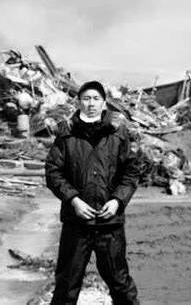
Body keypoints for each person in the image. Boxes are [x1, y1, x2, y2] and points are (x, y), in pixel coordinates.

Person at [45, 80, 140, 305]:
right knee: (66, 283)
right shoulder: (67, 134)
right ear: (79, 102)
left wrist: (117, 201)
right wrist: (74, 200)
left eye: (96, 99)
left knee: (120, 281)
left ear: (104, 103)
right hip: (77, 222)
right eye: (86, 98)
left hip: (109, 223)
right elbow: (53, 171)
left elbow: (131, 172)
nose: (91, 103)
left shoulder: (118, 133)